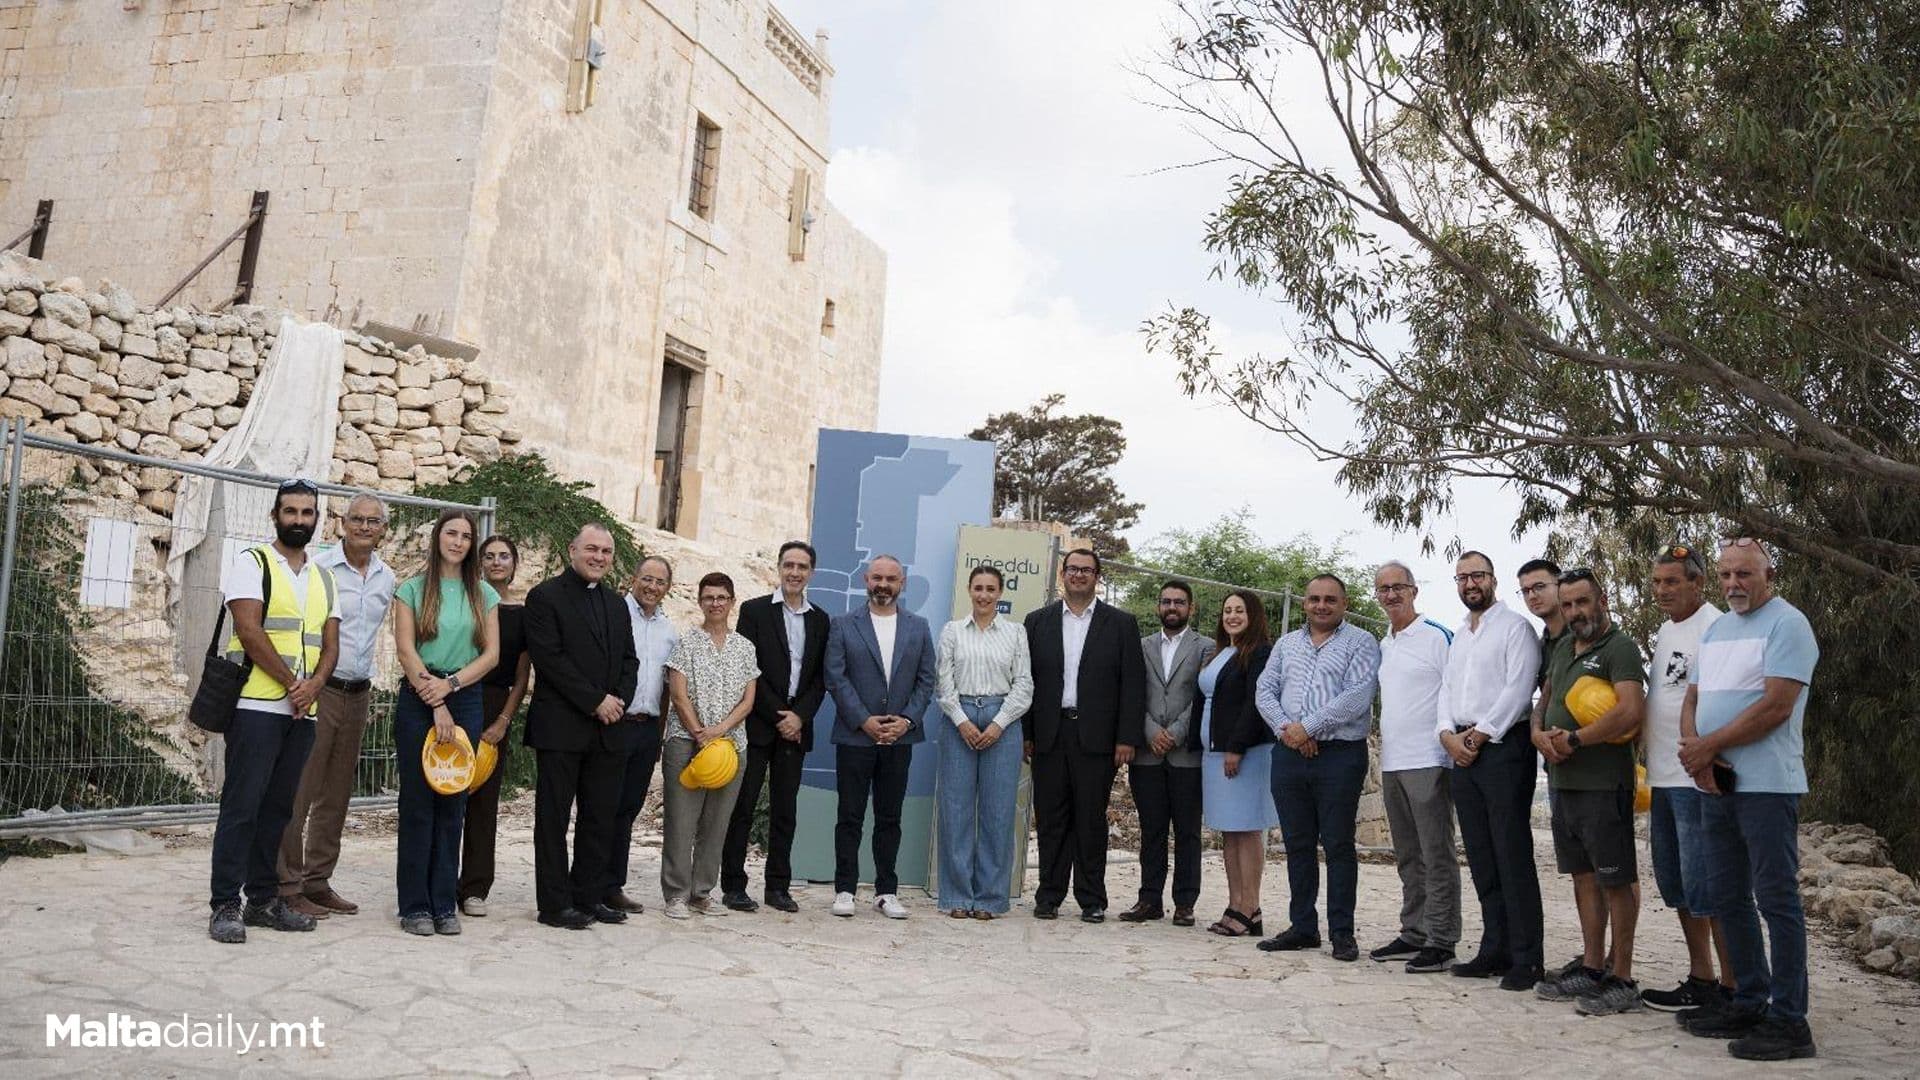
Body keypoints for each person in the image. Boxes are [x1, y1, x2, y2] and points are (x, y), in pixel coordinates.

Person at [1676, 539, 1820, 1061]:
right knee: (1729, 897)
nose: (1734, 583)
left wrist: (1709, 747)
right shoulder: (1715, 630)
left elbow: (1776, 706)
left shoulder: (1788, 625)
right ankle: (1749, 1000)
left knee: (1777, 901)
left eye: (1744, 573)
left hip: (1766, 787)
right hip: (1715, 784)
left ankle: (1790, 1021)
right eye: (1725, 575)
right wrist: (1697, 755)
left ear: (1768, 573)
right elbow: (1692, 698)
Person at [207, 477, 340, 944]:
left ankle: (262, 900)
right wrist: (293, 684)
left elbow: (329, 642)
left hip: (303, 712)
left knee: (278, 810)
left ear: (317, 518)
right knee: (242, 806)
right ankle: (225, 902)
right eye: (291, 512)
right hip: (257, 705)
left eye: (307, 513)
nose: (299, 520)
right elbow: (248, 629)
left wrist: (315, 686)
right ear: (275, 515)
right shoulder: (252, 563)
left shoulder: (323, 576)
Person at [1529, 569, 1647, 1014]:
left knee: (1615, 880)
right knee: (1583, 878)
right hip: (1564, 784)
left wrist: (1577, 740)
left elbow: (1632, 711)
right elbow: (1545, 700)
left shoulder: (1619, 647)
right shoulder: (1562, 647)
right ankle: (1593, 967)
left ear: (1601, 599)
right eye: (1569, 605)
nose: (1576, 612)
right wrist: (1539, 734)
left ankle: (1623, 976)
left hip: (1604, 783)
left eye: (1583, 602)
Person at [277, 493, 394, 921]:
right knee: (300, 789)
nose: (364, 527)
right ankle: (286, 885)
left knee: (337, 794)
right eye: (357, 519)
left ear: (383, 530)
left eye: (373, 521)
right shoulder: (318, 568)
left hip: (358, 693)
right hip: (320, 690)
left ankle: (317, 880)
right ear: (341, 523)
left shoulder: (386, 578)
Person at [1254, 573, 1381, 962]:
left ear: (1343, 604)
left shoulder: (1362, 642)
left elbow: (1357, 696)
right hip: (1289, 756)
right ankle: (1303, 927)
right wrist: (1287, 730)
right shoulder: (1287, 644)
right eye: (1314, 599)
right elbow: (1264, 689)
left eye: (1330, 599)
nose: (1321, 606)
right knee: (1298, 844)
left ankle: (1342, 932)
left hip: (1340, 755)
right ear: (1305, 603)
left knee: (1339, 844)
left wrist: (1306, 728)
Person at [1436, 551, 1546, 991]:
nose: (1469, 584)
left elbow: (1519, 690)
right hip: (1462, 749)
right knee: (1480, 852)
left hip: (1502, 749)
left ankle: (1527, 957)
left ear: (1493, 579)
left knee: (1511, 852)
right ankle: (1494, 948)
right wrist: (1448, 735)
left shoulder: (1516, 628)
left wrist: (1478, 737)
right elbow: (1446, 690)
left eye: (1477, 575)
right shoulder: (1461, 635)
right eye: (1462, 577)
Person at [523, 524, 641, 930]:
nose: (599, 557)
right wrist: (596, 701)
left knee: (600, 817)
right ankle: (554, 904)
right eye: (591, 549)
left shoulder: (616, 604)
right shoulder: (544, 597)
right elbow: (551, 660)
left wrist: (618, 701)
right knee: (553, 820)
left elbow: (630, 660)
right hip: (561, 727)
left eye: (606, 551)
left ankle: (588, 897)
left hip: (608, 728)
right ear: (572, 550)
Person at [1023, 548, 1146, 923]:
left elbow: (1133, 684)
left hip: (1098, 737)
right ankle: (1049, 896)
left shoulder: (1121, 623)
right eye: (1073, 569)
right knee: (1051, 818)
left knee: (1090, 820)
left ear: (1097, 577)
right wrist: (1027, 733)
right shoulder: (1037, 621)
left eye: (1087, 570)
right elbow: (1025, 682)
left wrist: (1127, 738)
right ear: (1063, 574)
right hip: (1049, 733)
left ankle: (1092, 898)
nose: (1079, 575)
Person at [392, 510, 500, 936]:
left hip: (466, 696)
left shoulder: (483, 594)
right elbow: (405, 650)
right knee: (418, 804)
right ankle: (415, 905)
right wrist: (434, 698)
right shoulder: (412, 590)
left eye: (466, 536)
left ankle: (443, 903)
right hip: (420, 697)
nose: (458, 542)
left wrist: (450, 687)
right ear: (438, 538)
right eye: (451, 533)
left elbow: (491, 656)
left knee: (453, 800)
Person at [1638, 544, 1730, 1012]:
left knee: (1709, 887)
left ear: (1697, 582)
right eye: (1657, 582)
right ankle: (1703, 978)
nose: (1661, 591)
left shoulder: (1715, 627)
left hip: (1698, 781)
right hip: (1663, 779)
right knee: (1678, 885)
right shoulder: (1666, 630)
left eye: (1672, 581)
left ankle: (1735, 988)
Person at [824, 554, 938, 919]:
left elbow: (926, 680)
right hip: (855, 738)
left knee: (890, 818)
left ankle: (886, 892)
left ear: (901, 583)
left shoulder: (918, 627)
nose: (883, 584)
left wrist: (906, 720)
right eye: (877, 578)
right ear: (865, 580)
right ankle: (844, 889)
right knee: (849, 816)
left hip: (899, 739)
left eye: (891, 578)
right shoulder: (843, 625)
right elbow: (836, 678)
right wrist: (863, 720)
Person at [722, 541, 830, 914]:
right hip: (757, 725)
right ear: (778, 568)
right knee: (743, 805)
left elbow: (820, 678)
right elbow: (747, 670)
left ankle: (778, 886)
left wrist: (799, 717)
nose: (794, 572)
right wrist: (781, 715)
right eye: (788, 565)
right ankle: (733, 885)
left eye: (802, 566)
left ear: (811, 572)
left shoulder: (820, 619)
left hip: (796, 731)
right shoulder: (754, 612)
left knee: (785, 810)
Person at [1369, 561, 1461, 974]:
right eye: (1383, 589)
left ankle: (1441, 940)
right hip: (1394, 762)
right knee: (1407, 854)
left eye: (1398, 587)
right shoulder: (1385, 641)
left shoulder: (1438, 637)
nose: (1391, 595)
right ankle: (1414, 931)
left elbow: (1457, 693)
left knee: (1436, 853)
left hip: (1430, 760)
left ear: (1414, 591)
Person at [933, 565, 1034, 920]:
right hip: (958, 716)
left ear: (1001, 592)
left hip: (1002, 720)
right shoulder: (952, 632)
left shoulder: (1015, 633)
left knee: (998, 813)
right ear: (969, 590)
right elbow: (943, 683)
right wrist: (961, 721)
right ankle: (957, 896)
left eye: (991, 589)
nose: (984, 595)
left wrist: (999, 723)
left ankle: (990, 899)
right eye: (978, 588)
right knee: (956, 812)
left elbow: (1024, 684)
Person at [659, 572, 759, 919]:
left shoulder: (745, 647)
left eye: (722, 597)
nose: (715, 603)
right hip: (687, 743)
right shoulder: (686, 643)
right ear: (700, 602)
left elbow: (748, 701)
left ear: (732, 602)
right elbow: (678, 693)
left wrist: (720, 730)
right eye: (709, 597)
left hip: (731, 746)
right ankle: (675, 894)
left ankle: (702, 892)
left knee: (717, 824)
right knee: (681, 823)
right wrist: (700, 733)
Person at [1123, 580, 1215, 926]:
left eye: (1179, 602)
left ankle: (1185, 902)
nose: (1171, 607)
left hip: (1186, 755)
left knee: (1188, 831)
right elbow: (1132, 691)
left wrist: (1175, 732)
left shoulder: (1206, 647)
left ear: (1191, 608)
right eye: (1166, 602)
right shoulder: (1140, 645)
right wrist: (1150, 731)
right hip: (1147, 754)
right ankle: (1149, 900)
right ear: (1158, 607)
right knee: (1152, 830)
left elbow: (1201, 697)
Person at [1192, 590, 1276, 938]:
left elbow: (1256, 703)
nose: (1232, 616)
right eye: (1227, 610)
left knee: (1248, 829)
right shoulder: (1219, 652)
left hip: (1243, 753)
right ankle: (1235, 903)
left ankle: (1250, 906)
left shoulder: (1259, 652)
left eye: (1239, 610)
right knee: (1230, 830)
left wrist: (1236, 747)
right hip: (1214, 754)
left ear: (1253, 615)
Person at [458, 535, 534, 917]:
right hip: (459, 698)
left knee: (484, 801)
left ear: (515, 564)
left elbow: (521, 675)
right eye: (489, 556)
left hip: (494, 705)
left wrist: (504, 719)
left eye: (504, 556)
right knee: (448, 789)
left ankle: (474, 888)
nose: (497, 562)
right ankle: (439, 880)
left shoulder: (522, 615)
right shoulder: (466, 603)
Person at [606, 555, 677, 914]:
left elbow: (668, 687)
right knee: (604, 805)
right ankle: (589, 882)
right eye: (646, 579)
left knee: (628, 810)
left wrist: (660, 733)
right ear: (634, 578)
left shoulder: (669, 630)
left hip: (647, 728)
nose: (651, 587)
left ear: (668, 588)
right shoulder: (615, 614)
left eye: (659, 582)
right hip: (614, 723)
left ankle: (612, 885)